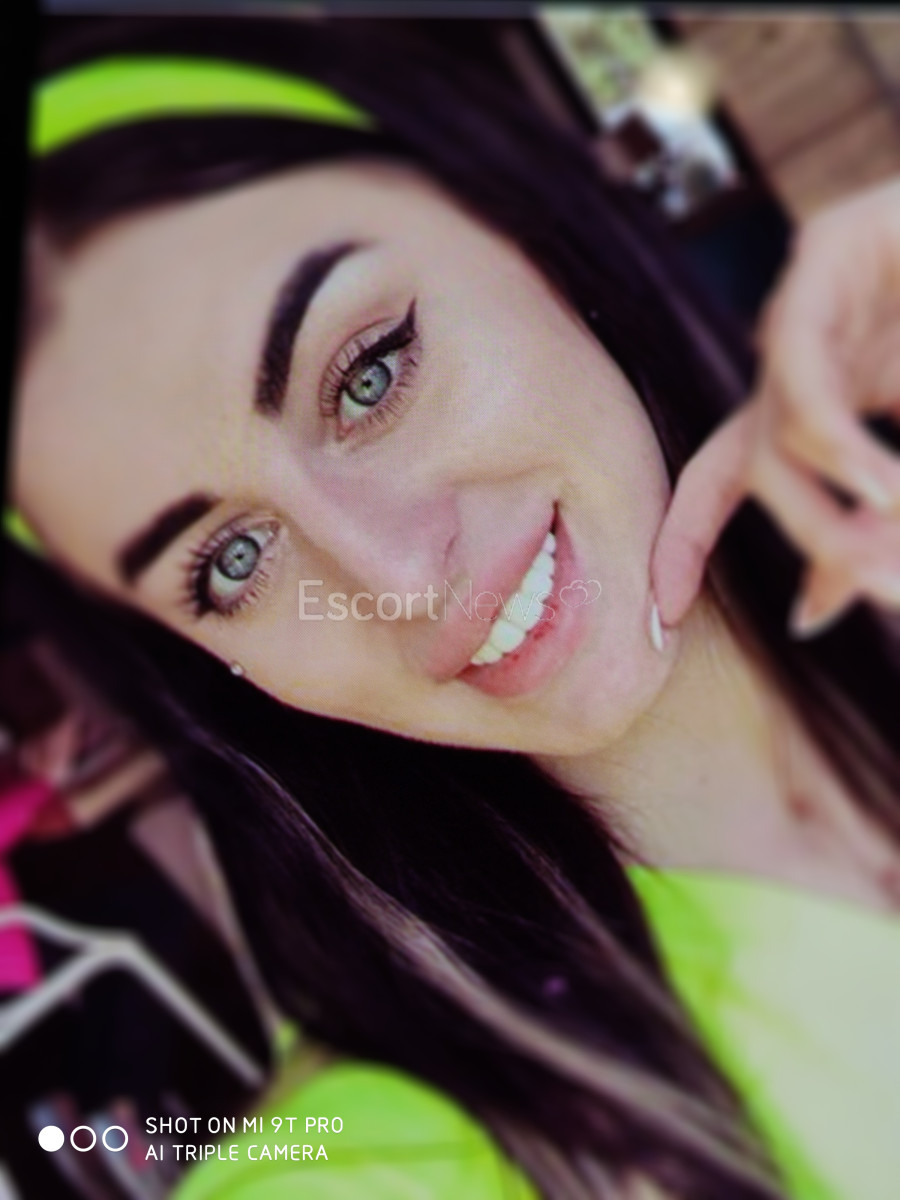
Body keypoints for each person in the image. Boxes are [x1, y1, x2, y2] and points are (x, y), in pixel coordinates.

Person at [6, 12, 900, 1200]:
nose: (395, 579)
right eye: (230, 562)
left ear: (510, 213)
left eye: (368, 373)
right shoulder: (388, 1161)